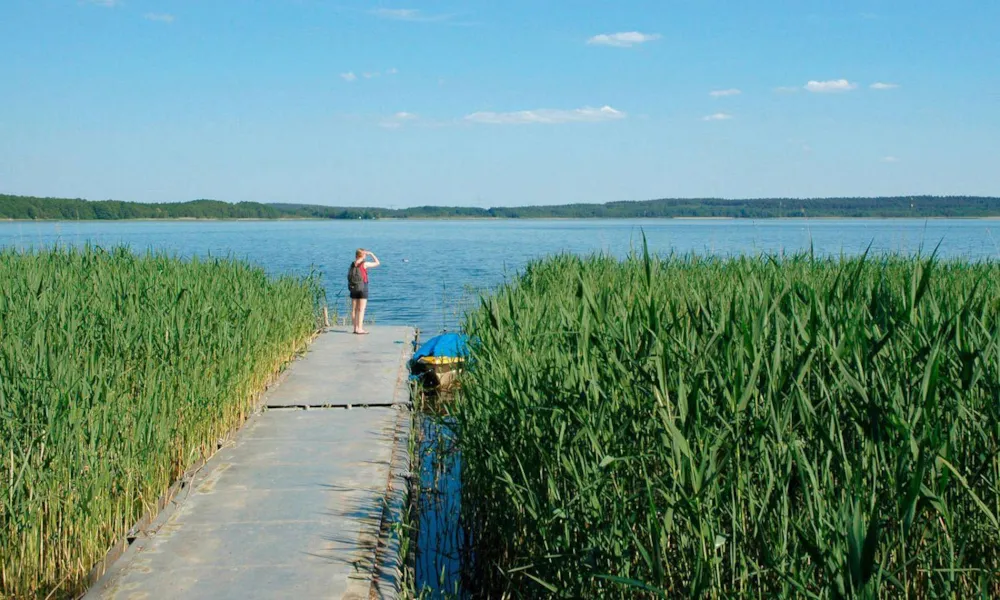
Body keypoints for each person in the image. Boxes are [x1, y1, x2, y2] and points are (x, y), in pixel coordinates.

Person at [349, 248, 379, 334]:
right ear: (362, 255)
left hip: (353, 287)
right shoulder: (364, 264)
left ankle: (355, 328)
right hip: (362, 287)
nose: (366, 255)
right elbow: (377, 263)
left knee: (354, 309)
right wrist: (372, 254)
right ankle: (360, 329)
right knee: (361, 309)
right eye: (365, 254)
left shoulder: (352, 264)